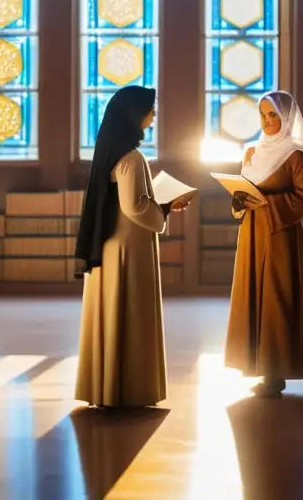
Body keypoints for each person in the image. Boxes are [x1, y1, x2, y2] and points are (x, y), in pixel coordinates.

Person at [74, 86, 189, 408]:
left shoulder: (110, 150)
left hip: (109, 243)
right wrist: (165, 208)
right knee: (130, 312)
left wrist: (160, 205)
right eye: (150, 111)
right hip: (129, 245)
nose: (153, 117)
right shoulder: (133, 157)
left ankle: (108, 389)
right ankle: (128, 391)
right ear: (134, 115)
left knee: (112, 312)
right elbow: (136, 207)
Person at [224, 91, 303, 398]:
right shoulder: (251, 152)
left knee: (275, 298)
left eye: (274, 116)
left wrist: (265, 204)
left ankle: (276, 369)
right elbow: (242, 193)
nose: (268, 122)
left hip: (280, 234)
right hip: (251, 234)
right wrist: (239, 200)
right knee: (253, 296)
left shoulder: (296, 154)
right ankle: (256, 365)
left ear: (287, 118)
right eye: (263, 116)